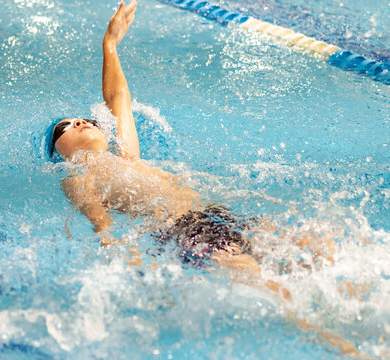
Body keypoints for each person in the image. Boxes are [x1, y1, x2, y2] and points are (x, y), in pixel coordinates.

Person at [46, 2, 365, 357]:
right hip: (187, 232)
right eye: (65, 127)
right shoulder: (78, 174)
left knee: (319, 244)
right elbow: (99, 223)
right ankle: (344, 348)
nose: (78, 122)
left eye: (80, 118)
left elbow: (118, 97)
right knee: (274, 290)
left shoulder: (127, 157)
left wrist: (110, 44)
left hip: (216, 214)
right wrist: (122, 252)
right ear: (60, 150)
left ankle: (365, 316)